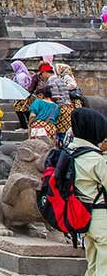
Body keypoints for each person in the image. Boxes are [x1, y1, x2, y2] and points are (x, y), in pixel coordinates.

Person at [66, 108, 107, 275]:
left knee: (93, 262)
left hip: (82, 214)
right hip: (99, 216)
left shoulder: (71, 151)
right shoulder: (95, 159)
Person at [44, 63, 73, 136]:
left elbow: (55, 96)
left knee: (59, 133)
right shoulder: (59, 79)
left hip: (60, 108)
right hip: (68, 107)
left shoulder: (51, 80)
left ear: (45, 73)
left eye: (42, 74)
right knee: (65, 132)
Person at [11, 60, 33, 131]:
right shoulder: (21, 74)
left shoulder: (21, 75)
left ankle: (24, 126)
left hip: (20, 95)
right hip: (24, 95)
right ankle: (29, 125)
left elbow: (21, 86)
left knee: (19, 110)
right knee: (25, 110)